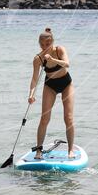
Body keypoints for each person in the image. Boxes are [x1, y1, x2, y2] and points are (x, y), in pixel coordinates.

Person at [27, 27, 75, 159]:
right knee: (44, 119)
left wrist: (53, 60)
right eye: (42, 45)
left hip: (66, 84)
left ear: (52, 42)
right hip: (50, 85)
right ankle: (38, 151)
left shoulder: (59, 49)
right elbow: (34, 79)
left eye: (47, 44)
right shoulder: (38, 59)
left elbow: (67, 64)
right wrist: (31, 94)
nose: (44, 47)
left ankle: (70, 150)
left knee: (68, 118)